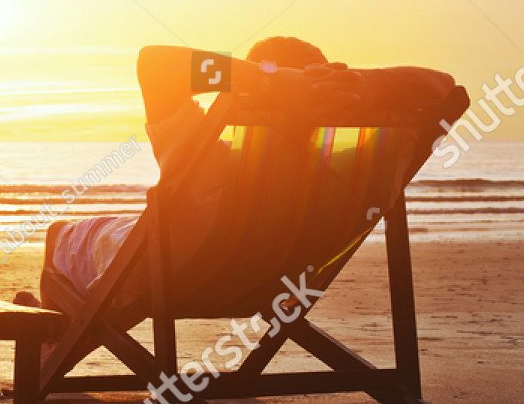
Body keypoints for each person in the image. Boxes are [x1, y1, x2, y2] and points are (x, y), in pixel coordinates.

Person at [45, 37, 455, 308]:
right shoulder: (348, 172)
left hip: (171, 278)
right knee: (118, 229)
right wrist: (356, 84)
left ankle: (51, 332)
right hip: (277, 283)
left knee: (63, 236)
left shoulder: (206, 161)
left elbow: (155, 63)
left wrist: (272, 80)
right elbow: (443, 87)